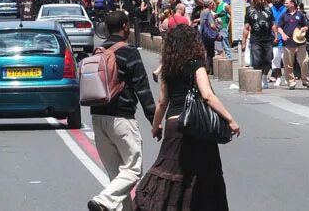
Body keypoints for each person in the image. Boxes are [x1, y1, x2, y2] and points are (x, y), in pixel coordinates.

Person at [134, 24, 239, 211]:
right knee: (204, 173)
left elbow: (162, 102)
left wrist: (156, 126)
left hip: (174, 123)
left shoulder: (166, 68)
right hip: (196, 125)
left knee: (169, 170)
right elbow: (207, 95)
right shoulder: (196, 64)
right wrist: (230, 119)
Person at [86, 11, 157, 211]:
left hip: (98, 117)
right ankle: (103, 200)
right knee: (133, 170)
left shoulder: (98, 52)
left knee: (117, 176)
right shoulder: (129, 52)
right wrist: (155, 121)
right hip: (121, 118)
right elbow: (142, 89)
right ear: (126, 26)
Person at [278, 0, 309, 88]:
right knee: (288, 64)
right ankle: (291, 82)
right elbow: (279, 27)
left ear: (292, 4)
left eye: (287, 3)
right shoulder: (284, 15)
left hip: (300, 42)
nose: (285, 5)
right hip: (288, 43)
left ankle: (306, 80)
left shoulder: (300, 14)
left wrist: (304, 29)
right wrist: (283, 35)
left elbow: (306, 26)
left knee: (304, 61)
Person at [244, 0, 276, 86]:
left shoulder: (268, 10)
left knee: (268, 60)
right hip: (256, 40)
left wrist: (276, 35)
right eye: (260, 0)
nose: (263, 1)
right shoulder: (249, 11)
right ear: (255, 1)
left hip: (267, 39)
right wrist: (243, 41)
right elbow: (246, 27)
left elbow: (273, 23)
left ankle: (264, 76)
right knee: (257, 60)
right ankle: (257, 80)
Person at [197, 0, 222, 67]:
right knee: (210, 53)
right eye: (213, 3)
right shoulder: (208, 12)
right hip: (209, 35)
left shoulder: (203, 12)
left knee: (207, 52)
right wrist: (217, 31)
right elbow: (212, 25)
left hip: (204, 35)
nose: (214, 4)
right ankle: (210, 68)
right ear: (210, 4)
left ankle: (207, 68)